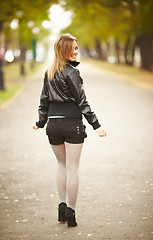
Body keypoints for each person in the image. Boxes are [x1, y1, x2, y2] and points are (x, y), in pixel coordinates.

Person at [33, 33, 106, 228]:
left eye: (76, 48)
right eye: (73, 48)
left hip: (53, 126)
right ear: (63, 51)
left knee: (61, 165)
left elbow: (43, 101)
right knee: (72, 168)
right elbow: (82, 102)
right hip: (72, 123)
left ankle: (61, 208)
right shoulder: (72, 73)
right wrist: (96, 125)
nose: (76, 51)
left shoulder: (49, 72)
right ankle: (71, 212)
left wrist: (41, 122)